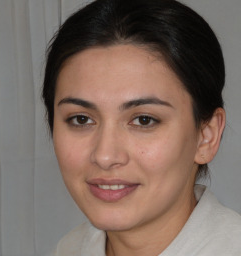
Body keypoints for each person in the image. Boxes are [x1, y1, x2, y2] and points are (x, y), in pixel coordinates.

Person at [42, 0, 241, 255]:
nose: (105, 156)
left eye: (144, 120)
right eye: (81, 119)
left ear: (206, 136)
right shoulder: (69, 249)